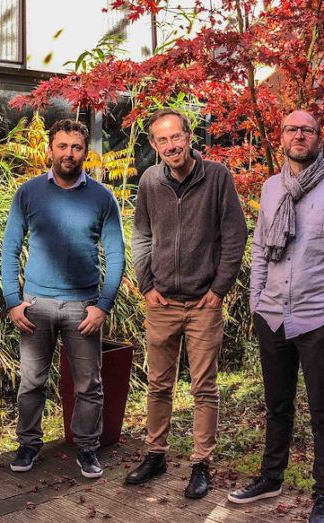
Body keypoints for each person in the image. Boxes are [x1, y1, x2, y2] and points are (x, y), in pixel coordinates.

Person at [128, 108, 247, 499]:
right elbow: (142, 235)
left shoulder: (217, 177)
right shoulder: (150, 180)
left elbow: (234, 235)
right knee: (159, 385)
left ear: (189, 135)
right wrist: (145, 285)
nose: (171, 146)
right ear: (154, 145)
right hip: (161, 300)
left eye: (176, 137)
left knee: (203, 387)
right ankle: (156, 453)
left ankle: (200, 462)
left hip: (203, 303)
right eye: (162, 140)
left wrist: (219, 290)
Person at [1, 119, 125, 477]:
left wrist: (102, 306)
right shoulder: (28, 192)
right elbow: (10, 249)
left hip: (82, 307)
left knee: (89, 384)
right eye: (62, 146)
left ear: (85, 151)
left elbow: (116, 255)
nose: (68, 153)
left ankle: (87, 448)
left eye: (76, 147)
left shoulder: (102, 197)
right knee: (31, 382)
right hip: (35, 306)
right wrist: (12, 299)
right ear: (50, 149)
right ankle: (28, 444)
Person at [227, 110, 324, 523]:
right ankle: (271, 477)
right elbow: (260, 249)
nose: (299, 135)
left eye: (307, 129)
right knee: (277, 404)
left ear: (318, 137)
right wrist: (256, 301)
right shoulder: (270, 188)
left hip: (317, 316)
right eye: (291, 129)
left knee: (322, 409)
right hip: (272, 315)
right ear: (280, 136)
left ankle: (323, 495)